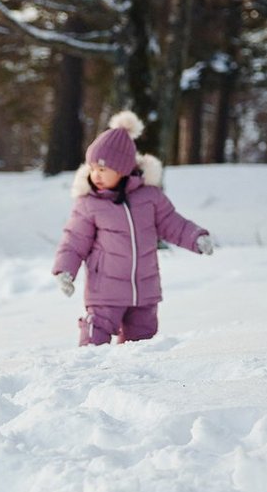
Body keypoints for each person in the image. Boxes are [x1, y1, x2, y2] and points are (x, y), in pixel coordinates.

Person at [52, 110, 214, 346]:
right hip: (105, 290)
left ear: (123, 169)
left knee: (142, 341)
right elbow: (74, 240)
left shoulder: (150, 197)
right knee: (95, 335)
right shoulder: (89, 204)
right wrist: (65, 270)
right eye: (93, 168)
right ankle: (86, 372)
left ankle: (133, 381)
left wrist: (196, 237)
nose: (95, 175)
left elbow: (172, 223)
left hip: (145, 289)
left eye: (103, 169)